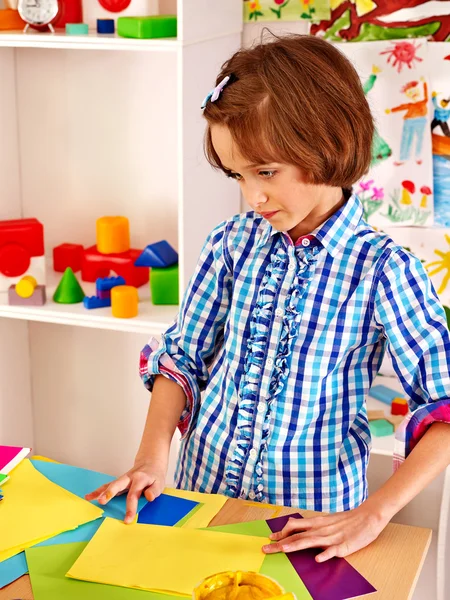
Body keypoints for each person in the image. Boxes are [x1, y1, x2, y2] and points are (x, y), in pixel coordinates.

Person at [86, 34, 450, 563]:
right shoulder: (231, 243)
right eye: (238, 175)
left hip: (307, 526)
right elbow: (182, 358)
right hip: (199, 500)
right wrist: (150, 459)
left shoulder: (385, 270)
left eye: (266, 172)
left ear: (326, 144)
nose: (252, 196)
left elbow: (443, 408)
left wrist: (373, 513)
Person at [386, 79, 428, 166]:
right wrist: (391, 110)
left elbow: (426, 92)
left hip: (421, 121)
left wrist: (424, 83)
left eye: (414, 91)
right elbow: (401, 107)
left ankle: (418, 156)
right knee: (406, 139)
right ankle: (403, 158)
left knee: (419, 139)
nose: (413, 94)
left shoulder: (424, 101)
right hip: (408, 122)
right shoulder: (410, 104)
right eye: (410, 93)